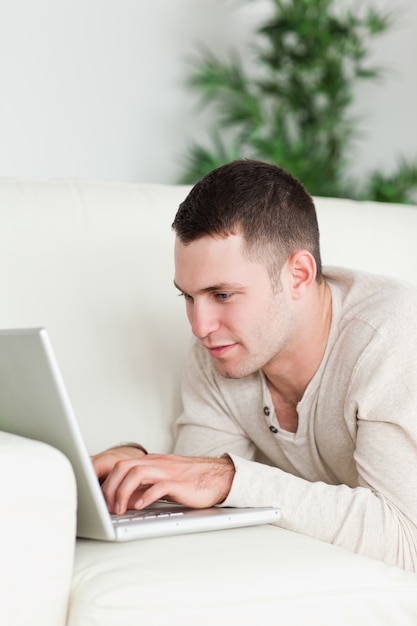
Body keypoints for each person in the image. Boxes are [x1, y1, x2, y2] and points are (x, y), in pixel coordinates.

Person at [93, 159, 417, 572]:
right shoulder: (222, 351)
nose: (199, 326)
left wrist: (231, 479)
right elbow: (198, 496)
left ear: (298, 275)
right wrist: (135, 465)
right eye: (188, 297)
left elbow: (408, 541)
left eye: (223, 295)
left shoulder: (391, 337)